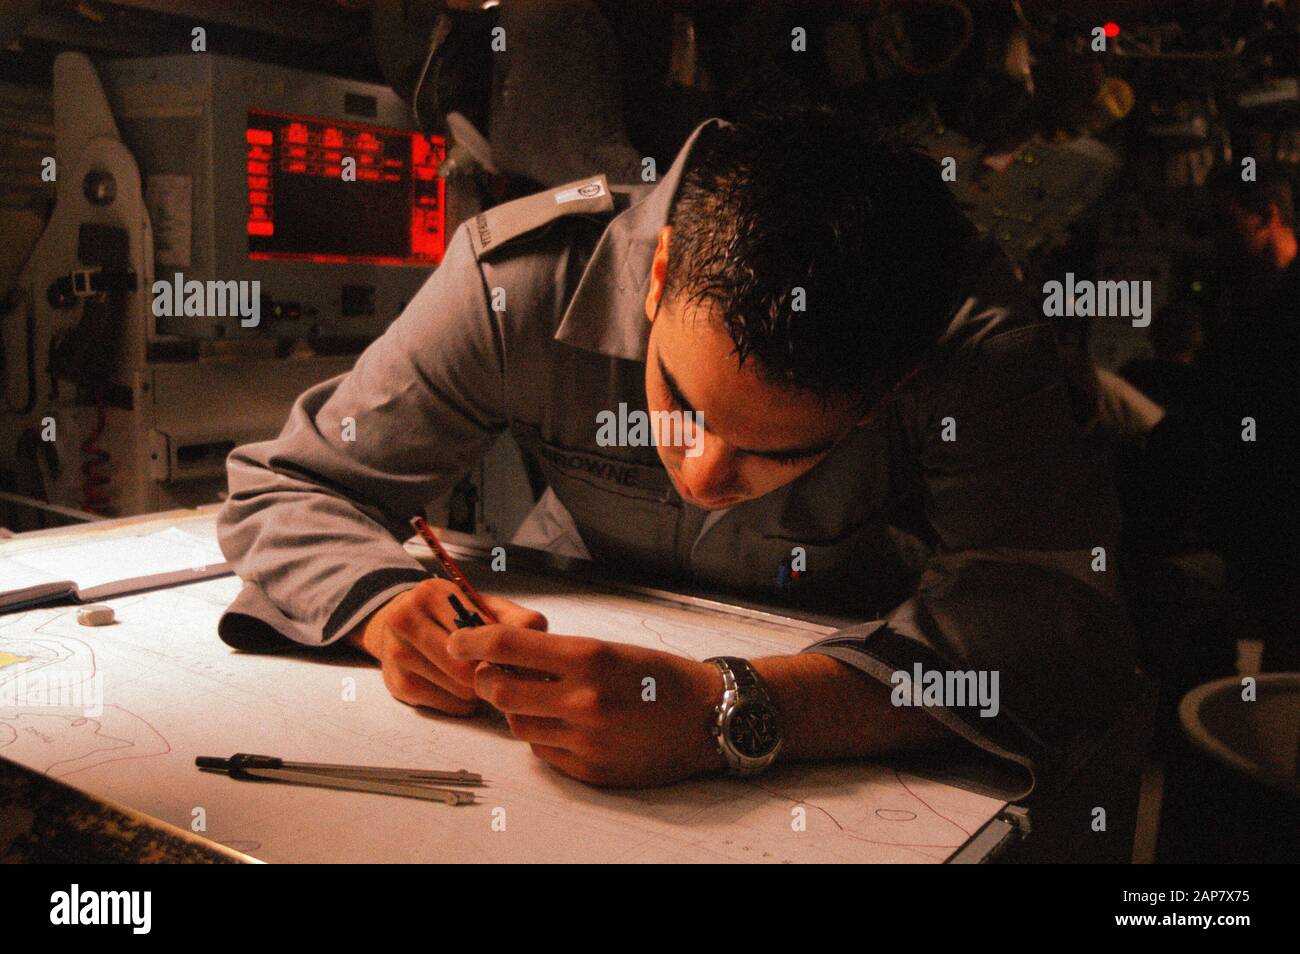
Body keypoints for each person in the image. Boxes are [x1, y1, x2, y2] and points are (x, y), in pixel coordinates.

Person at [218, 107, 1136, 793]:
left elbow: (1055, 616)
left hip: (848, 699)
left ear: (888, 394)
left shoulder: (973, 348)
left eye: (778, 454)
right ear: (658, 275)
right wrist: (383, 606)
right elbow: (291, 482)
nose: (700, 473)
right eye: (681, 403)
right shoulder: (520, 284)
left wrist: (725, 713)